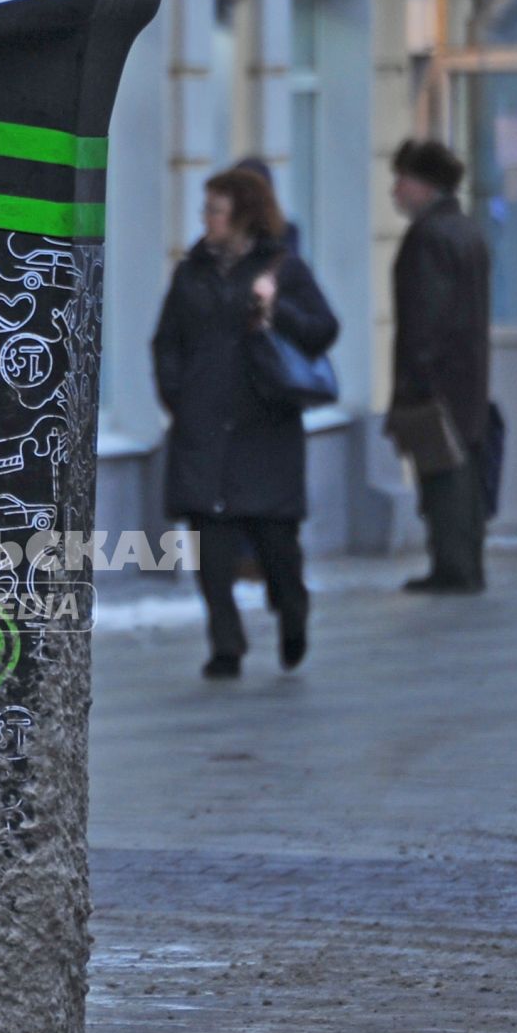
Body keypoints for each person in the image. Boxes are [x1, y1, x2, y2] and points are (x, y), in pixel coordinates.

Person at [153, 168, 339, 680]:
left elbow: (323, 331)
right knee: (210, 547)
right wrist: (179, 397)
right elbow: (167, 341)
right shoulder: (191, 272)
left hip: (266, 428)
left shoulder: (284, 268)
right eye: (205, 208)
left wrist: (275, 308)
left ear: (243, 214)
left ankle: (292, 610)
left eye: (215, 208)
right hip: (204, 428)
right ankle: (226, 645)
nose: (205, 218)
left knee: (278, 543)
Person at [390, 138, 492, 595]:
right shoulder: (466, 229)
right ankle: (466, 561)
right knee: (464, 466)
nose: (395, 190)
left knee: (441, 473)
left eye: (403, 181)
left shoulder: (428, 237)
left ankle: (452, 567)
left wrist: (416, 380)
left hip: (436, 379)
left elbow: (424, 316)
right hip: (468, 374)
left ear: (424, 186)